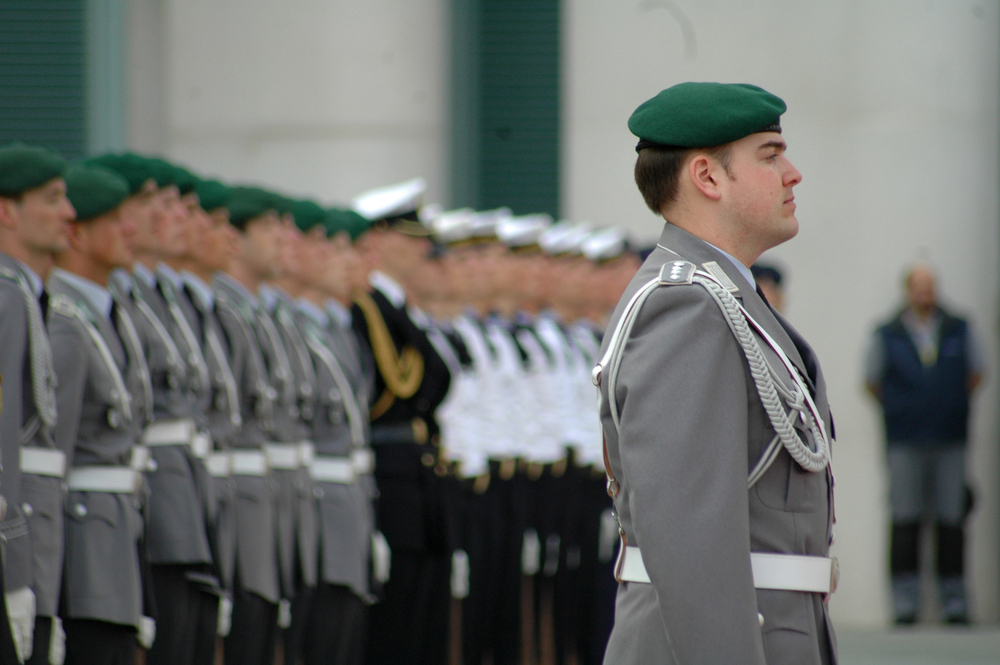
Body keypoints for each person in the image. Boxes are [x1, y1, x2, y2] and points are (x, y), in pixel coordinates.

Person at [596, 82, 836, 664]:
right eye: (771, 155)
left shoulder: (725, 297)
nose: (793, 173)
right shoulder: (688, 306)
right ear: (708, 178)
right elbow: (690, 536)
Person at [49, 163, 155, 664]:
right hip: (83, 547)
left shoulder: (109, 310)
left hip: (120, 540)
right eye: (115, 218)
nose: (131, 229)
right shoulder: (61, 318)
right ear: (76, 232)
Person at [864, 263, 983, 624]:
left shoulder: (959, 329)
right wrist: (903, 409)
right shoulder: (888, 333)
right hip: (905, 440)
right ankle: (905, 601)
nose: (925, 294)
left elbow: (976, 373)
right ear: (907, 291)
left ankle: (954, 600)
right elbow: (872, 380)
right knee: (905, 519)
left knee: (951, 519)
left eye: (930, 286)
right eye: (918, 287)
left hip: (949, 438)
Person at [0, 143, 75, 665]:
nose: (68, 213)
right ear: (7, 211)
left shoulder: (24, 292)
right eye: (51, 199)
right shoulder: (6, 295)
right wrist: (13, 564)